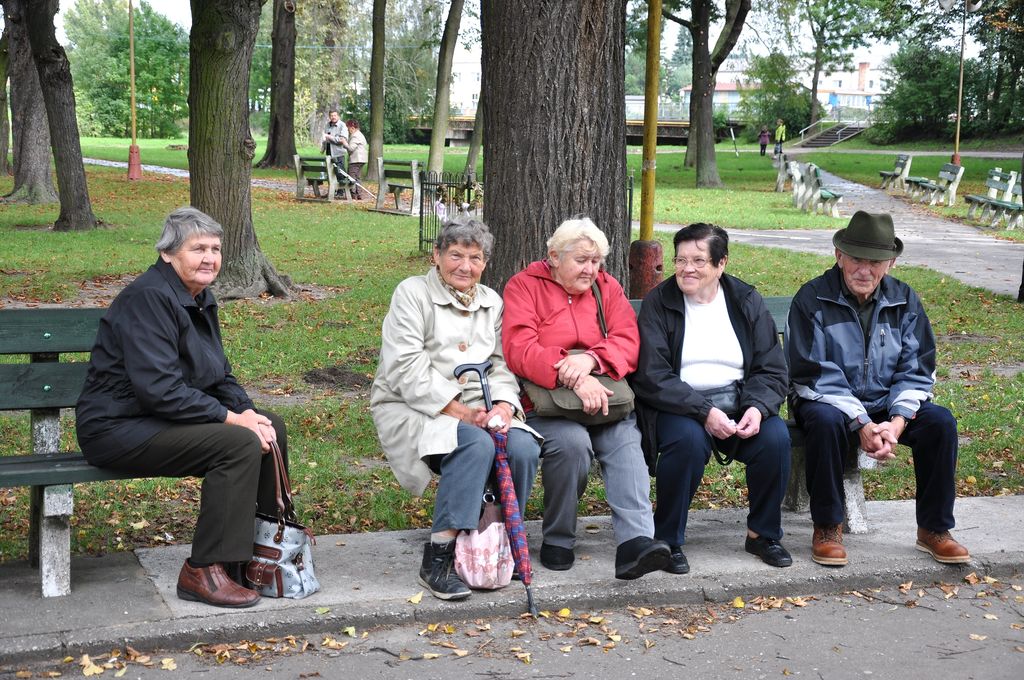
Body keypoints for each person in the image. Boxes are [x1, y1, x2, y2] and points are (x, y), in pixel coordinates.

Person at [75, 207, 287, 609]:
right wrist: (233, 420)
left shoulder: (198, 297)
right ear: (168, 253)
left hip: (158, 420)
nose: (210, 258)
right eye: (198, 249)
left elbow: (219, 375)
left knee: (269, 425)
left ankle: (250, 558)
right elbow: (160, 391)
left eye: (215, 249)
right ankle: (203, 570)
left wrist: (248, 413)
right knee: (238, 443)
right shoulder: (149, 298)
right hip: (117, 428)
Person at [370, 217, 541, 601]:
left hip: (480, 406)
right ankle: (438, 560)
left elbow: (501, 364)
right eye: (456, 255)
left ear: (485, 263)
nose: (465, 266)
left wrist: (504, 406)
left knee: (523, 447)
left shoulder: (491, 301)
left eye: (475, 258)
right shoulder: (412, 293)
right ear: (436, 255)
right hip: (414, 405)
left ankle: (496, 543)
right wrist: (463, 414)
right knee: (474, 444)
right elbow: (405, 368)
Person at [787, 211, 969, 568]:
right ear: (839, 256)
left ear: (891, 263)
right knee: (824, 422)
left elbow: (917, 368)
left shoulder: (904, 299)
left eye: (874, 262)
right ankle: (827, 527)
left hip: (886, 403)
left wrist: (897, 422)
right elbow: (811, 372)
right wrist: (861, 421)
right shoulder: (812, 298)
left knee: (940, 423)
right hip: (827, 400)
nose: (864, 270)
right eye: (856, 259)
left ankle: (934, 529)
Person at [502, 217, 670, 580]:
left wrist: (591, 360)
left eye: (596, 261)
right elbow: (519, 349)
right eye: (581, 260)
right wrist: (574, 375)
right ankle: (558, 538)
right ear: (554, 257)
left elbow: (628, 340)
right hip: (548, 405)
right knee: (572, 445)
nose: (590, 269)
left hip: (604, 398)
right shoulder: (524, 286)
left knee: (626, 444)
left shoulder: (606, 287)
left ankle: (636, 543)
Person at [632, 224, 792, 574]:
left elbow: (771, 367)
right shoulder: (661, 302)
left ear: (721, 264)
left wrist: (757, 408)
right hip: (679, 406)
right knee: (687, 443)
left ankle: (762, 535)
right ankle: (667, 540)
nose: (686, 269)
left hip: (739, 400)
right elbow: (652, 375)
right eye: (681, 260)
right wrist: (704, 412)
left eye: (698, 261)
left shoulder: (745, 300)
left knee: (775, 438)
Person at [322, 110, 348, 197]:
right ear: (329, 117)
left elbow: (342, 140)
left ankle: (341, 192)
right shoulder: (327, 125)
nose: (333, 117)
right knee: (330, 173)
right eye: (331, 115)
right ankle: (332, 191)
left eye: (335, 115)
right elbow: (325, 138)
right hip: (329, 152)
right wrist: (323, 147)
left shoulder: (342, 125)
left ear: (338, 116)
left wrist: (329, 137)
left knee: (339, 172)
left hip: (338, 153)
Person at [342, 119, 369, 200]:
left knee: (351, 177)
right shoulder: (359, 134)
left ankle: (353, 194)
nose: (348, 130)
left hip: (356, 160)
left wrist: (344, 143)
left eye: (348, 128)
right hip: (361, 159)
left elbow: (351, 148)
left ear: (352, 128)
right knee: (357, 177)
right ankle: (359, 194)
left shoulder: (355, 136)